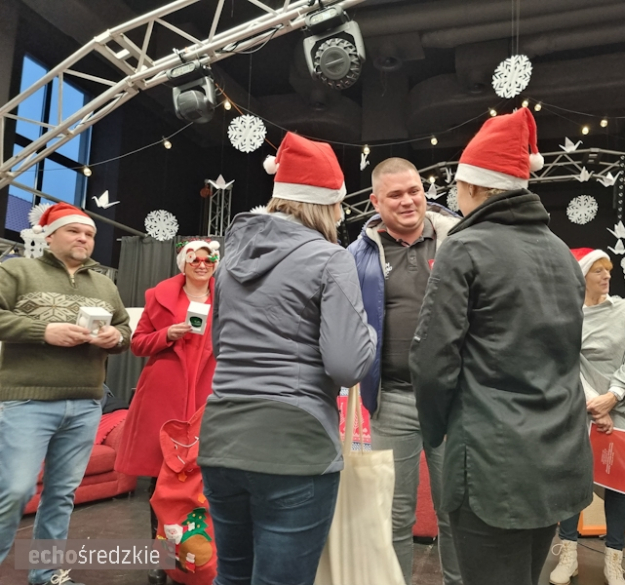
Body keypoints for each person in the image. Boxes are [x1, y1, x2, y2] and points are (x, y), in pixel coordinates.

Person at [409, 107, 593, 585]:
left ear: (472, 187)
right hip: (556, 455)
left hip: (491, 461)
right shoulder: (560, 251)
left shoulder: (465, 248)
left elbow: (432, 361)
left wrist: (436, 430)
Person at [197, 132, 377, 585]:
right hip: (293, 446)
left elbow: (220, 348)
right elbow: (346, 365)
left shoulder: (228, 262)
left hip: (221, 437)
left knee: (232, 577)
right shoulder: (331, 258)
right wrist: (368, 333)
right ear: (328, 205)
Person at [0, 202, 131, 585]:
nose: (84, 239)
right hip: (27, 400)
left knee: (60, 495)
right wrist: (44, 331)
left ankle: (45, 573)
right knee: (14, 490)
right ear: (50, 235)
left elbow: (124, 330)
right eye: (75, 231)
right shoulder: (17, 270)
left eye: (89, 234)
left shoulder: (105, 284)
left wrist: (115, 338)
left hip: (87, 402)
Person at [347, 157, 462, 585]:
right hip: (391, 399)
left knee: (456, 511)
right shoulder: (357, 255)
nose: (409, 200)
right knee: (394, 516)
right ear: (376, 201)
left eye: (414, 190)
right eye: (395, 194)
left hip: (454, 400)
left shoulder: (458, 241)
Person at [550, 248, 625, 585]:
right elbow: (565, 361)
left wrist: (612, 397)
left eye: (609, 270)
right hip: (578, 408)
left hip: (622, 409)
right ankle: (568, 553)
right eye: (598, 270)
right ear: (581, 276)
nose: (606, 276)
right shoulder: (566, 314)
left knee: (619, 483)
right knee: (573, 480)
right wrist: (593, 403)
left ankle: (614, 559)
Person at [115, 238, 220, 585]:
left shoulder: (230, 297)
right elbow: (137, 343)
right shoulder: (158, 297)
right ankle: (160, 558)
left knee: (207, 480)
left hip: (209, 393)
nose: (202, 265)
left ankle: (200, 558)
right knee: (160, 481)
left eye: (208, 259)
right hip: (165, 394)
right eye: (195, 259)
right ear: (183, 262)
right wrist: (166, 334)